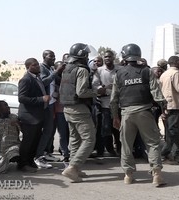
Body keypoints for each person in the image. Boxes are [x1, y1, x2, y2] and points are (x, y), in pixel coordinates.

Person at [110, 43, 166, 186]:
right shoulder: (147, 71)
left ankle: (128, 176)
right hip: (144, 112)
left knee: (126, 145)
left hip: (126, 114)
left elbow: (114, 99)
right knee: (153, 143)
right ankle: (157, 175)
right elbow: (157, 93)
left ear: (124, 56)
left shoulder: (119, 73)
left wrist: (115, 117)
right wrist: (164, 109)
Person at [59, 43, 103, 182]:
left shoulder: (67, 68)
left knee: (75, 140)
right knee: (89, 139)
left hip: (67, 108)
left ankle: (75, 169)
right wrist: (97, 92)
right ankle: (72, 167)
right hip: (79, 109)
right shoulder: (82, 70)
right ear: (83, 55)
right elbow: (81, 92)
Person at [17, 58, 50, 173]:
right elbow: (21, 98)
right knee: (27, 142)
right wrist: (41, 99)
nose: (38, 66)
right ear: (28, 67)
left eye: (38, 64)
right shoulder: (26, 79)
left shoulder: (37, 77)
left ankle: (30, 161)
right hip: (29, 117)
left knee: (35, 141)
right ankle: (23, 164)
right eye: (34, 65)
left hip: (37, 116)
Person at [34, 50, 64, 168]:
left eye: (54, 56)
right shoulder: (43, 68)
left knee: (50, 131)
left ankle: (46, 153)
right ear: (44, 57)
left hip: (51, 103)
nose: (53, 58)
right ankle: (38, 157)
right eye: (50, 56)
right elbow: (43, 81)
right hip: (45, 105)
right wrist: (56, 71)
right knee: (46, 130)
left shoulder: (50, 68)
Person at [92, 50, 121, 156]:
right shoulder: (99, 71)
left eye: (109, 56)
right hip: (105, 103)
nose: (107, 58)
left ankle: (120, 149)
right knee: (105, 129)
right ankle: (107, 150)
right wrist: (102, 89)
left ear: (113, 58)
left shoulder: (120, 70)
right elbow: (95, 85)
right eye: (105, 57)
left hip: (118, 103)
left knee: (118, 129)